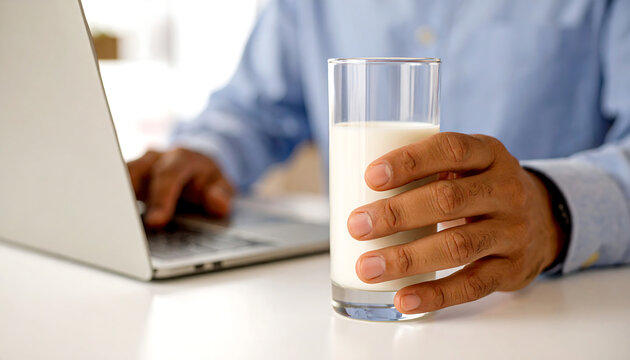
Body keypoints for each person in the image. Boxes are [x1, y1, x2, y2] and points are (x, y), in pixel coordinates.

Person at [127, 1, 630, 314]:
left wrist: (553, 208)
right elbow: (255, 107)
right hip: (352, 322)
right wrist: (203, 155)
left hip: (543, 317)